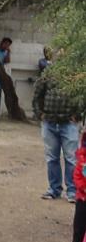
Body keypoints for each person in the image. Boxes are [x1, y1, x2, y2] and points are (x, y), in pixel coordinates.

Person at [33, 69, 78, 201]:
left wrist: (78, 115)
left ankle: (72, 192)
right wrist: (39, 114)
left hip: (69, 123)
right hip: (49, 122)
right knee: (52, 158)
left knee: (71, 158)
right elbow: (37, 96)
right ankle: (54, 189)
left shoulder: (74, 73)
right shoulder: (47, 75)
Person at [68, 133, 86, 242]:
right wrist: (83, 188)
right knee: (79, 227)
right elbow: (77, 175)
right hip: (82, 198)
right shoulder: (82, 157)